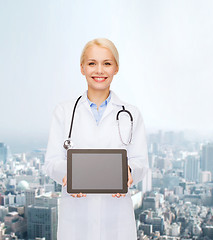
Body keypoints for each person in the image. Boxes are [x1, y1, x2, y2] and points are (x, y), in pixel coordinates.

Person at [43, 38, 149, 240]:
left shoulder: (131, 114)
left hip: (117, 223)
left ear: (116, 68)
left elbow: (141, 163)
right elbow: (51, 163)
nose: (99, 70)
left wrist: (128, 172)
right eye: (92, 63)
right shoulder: (64, 112)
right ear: (82, 68)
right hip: (76, 223)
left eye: (107, 63)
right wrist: (70, 175)